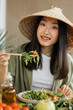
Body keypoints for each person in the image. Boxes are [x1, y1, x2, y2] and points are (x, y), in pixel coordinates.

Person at [0, 7, 73, 96]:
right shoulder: (19, 52)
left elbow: (69, 95)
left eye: (54, 27)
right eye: (43, 24)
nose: (46, 32)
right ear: (36, 27)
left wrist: (66, 91)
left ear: (60, 34)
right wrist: (3, 66)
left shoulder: (67, 60)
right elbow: (3, 90)